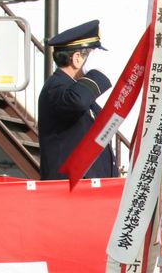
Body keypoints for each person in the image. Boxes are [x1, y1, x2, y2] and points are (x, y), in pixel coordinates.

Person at [38, 20, 115, 181]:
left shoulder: (75, 88)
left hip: (91, 186)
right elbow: (77, 101)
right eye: (92, 55)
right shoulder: (56, 87)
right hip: (70, 188)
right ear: (77, 58)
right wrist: (95, 74)